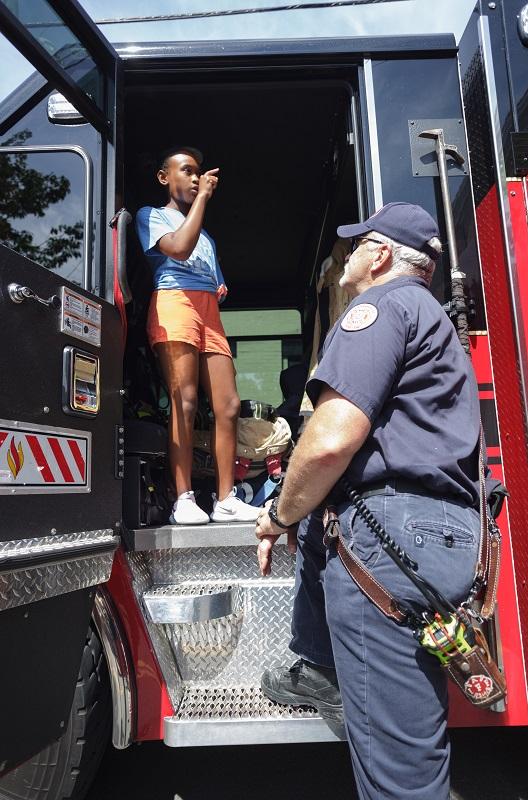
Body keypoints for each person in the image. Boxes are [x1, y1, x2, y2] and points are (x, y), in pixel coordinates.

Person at [255, 202, 482, 800]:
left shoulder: (378, 307)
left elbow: (330, 441)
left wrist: (276, 514)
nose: (346, 257)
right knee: (408, 747)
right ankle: (322, 669)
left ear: (380, 255)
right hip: (441, 535)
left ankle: (320, 670)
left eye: (355, 246)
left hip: (387, 542)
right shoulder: (433, 319)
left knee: (400, 777)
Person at [136, 147, 260, 525]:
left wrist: (218, 286)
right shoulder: (151, 215)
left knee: (229, 405)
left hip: (207, 312)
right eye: (186, 171)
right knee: (185, 401)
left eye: (199, 173)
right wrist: (204, 196)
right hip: (174, 303)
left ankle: (226, 499)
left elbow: (216, 279)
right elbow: (178, 248)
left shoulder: (205, 233)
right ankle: (184, 499)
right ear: (164, 177)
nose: (195, 179)